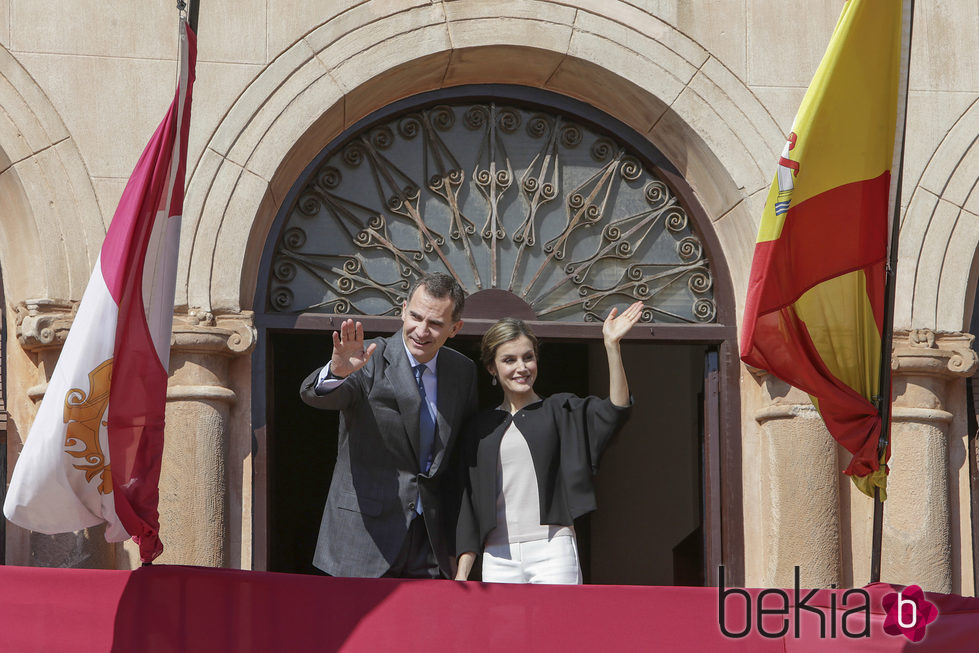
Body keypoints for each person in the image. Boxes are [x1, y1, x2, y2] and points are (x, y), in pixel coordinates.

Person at [299, 272, 478, 578]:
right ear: (403, 309)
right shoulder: (367, 357)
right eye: (416, 317)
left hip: (430, 543)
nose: (422, 331)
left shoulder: (462, 372)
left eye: (435, 323)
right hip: (363, 539)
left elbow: (462, 455)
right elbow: (315, 396)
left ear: (455, 328)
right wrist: (337, 373)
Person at [454, 301, 643, 584]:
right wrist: (463, 571)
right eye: (509, 360)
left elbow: (615, 410)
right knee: (505, 631)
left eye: (527, 357)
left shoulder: (561, 410)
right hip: (497, 555)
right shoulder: (480, 428)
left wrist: (612, 346)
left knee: (558, 629)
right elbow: (468, 503)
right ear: (492, 368)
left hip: (553, 550)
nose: (522, 367)